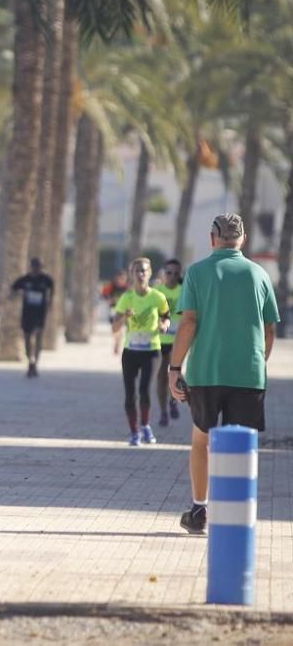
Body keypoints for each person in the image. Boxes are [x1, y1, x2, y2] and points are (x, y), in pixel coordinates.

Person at [169, 214, 279, 534]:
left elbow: (188, 322)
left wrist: (174, 368)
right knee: (241, 445)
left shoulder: (198, 273)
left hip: (206, 373)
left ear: (212, 238)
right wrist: (259, 362)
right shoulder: (258, 274)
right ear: (242, 240)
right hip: (249, 374)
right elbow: (269, 330)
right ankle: (236, 512)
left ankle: (199, 510)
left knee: (201, 441)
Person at [112, 257, 170, 446]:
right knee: (130, 394)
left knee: (144, 390)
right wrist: (124, 318)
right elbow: (115, 327)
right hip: (130, 351)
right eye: (137, 271)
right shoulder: (126, 298)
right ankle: (134, 432)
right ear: (132, 274)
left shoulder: (158, 297)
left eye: (144, 271)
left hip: (151, 351)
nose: (141, 274)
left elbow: (166, 317)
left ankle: (145, 425)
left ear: (150, 273)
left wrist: (164, 325)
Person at [10, 257, 54, 378]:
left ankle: (36, 363)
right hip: (27, 313)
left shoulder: (46, 280)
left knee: (38, 337)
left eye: (38, 267)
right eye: (34, 267)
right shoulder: (25, 280)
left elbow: (51, 294)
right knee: (27, 338)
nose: (36, 269)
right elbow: (13, 289)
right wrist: (19, 295)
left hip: (40, 313)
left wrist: (49, 305)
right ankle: (30, 361)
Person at [154, 258, 184, 427]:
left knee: (174, 372)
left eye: (176, 273)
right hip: (159, 340)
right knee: (160, 376)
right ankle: (164, 412)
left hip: (178, 340)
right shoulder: (157, 292)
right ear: (163, 274)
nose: (172, 276)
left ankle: (173, 401)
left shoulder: (184, 291)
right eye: (169, 273)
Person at [102, 270, 129, 354]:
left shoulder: (127, 288)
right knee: (115, 328)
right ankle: (117, 342)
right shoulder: (111, 286)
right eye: (118, 278)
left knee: (120, 329)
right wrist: (108, 300)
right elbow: (104, 293)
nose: (120, 281)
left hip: (124, 311)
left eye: (122, 278)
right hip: (113, 309)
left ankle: (117, 343)